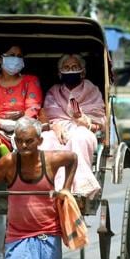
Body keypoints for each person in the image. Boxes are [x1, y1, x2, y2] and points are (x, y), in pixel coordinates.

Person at [0, 117, 77, 259]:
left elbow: (72, 158)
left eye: (29, 141)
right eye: (20, 141)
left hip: (49, 234)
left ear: (40, 141)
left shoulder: (51, 160)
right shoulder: (8, 162)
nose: (24, 146)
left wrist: (66, 188)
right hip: (18, 236)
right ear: (15, 141)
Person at [0, 44, 43, 259]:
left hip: (25, 130)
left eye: (19, 56)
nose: (15, 60)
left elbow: (33, 106)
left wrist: (20, 124)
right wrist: (2, 123)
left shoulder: (30, 81)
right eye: (11, 56)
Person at [39, 53, 102, 197]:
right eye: (66, 67)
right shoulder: (54, 92)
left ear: (83, 71)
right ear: (60, 73)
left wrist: (86, 122)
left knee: (80, 136)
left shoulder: (92, 90)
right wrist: (54, 126)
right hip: (58, 130)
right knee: (46, 139)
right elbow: (49, 116)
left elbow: (100, 121)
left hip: (84, 130)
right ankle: (47, 185)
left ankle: (81, 187)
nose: (71, 70)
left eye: (75, 67)